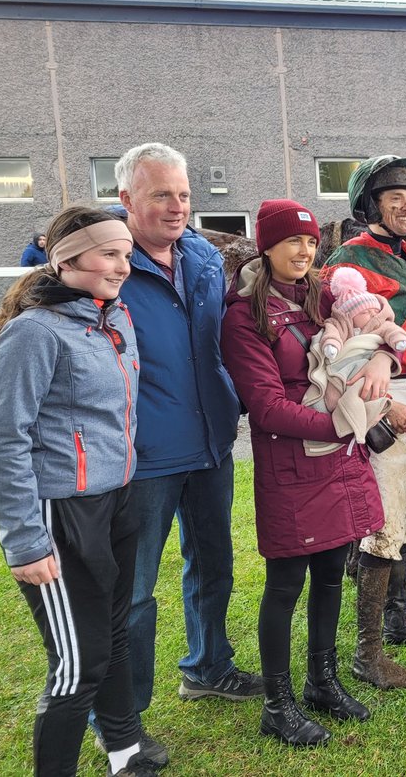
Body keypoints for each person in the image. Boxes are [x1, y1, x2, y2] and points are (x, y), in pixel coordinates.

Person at [0, 208, 157, 776]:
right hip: (60, 514)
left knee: (115, 638)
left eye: (127, 255)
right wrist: (25, 541)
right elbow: (4, 438)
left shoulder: (115, 317)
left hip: (118, 502)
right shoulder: (32, 332)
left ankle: (125, 756)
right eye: (109, 253)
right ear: (66, 259)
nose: (122, 266)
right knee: (78, 664)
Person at [221, 200, 388, 747]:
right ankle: (278, 703)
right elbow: (265, 408)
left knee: (330, 573)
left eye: (312, 242)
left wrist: (383, 361)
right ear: (265, 245)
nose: (304, 251)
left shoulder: (325, 296)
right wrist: (344, 425)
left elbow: (378, 328)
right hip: (293, 463)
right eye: (293, 241)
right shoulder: (244, 315)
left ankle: (323, 680)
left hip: (336, 461)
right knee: (286, 583)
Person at [114, 143, 258, 765]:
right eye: (160, 196)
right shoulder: (110, 264)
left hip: (210, 444)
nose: (177, 208)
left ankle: (207, 666)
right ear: (126, 201)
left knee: (213, 565)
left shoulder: (201, 254)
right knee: (134, 591)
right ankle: (121, 717)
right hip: (143, 457)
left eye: (184, 195)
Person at [324, 154, 406, 686]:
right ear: (369, 204)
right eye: (394, 197)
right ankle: (367, 654)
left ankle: (398, 620)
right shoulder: (348, 259)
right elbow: (339, 345)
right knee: (382, 522)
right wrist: (380, 403)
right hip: (378, 394)